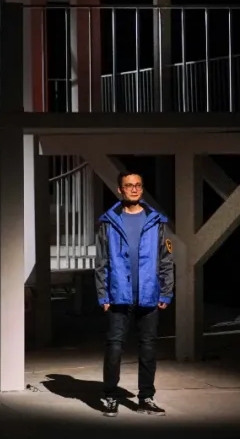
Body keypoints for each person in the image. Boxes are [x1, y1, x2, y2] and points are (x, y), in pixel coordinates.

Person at [96, 172, 174, 418]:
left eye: (138, 185)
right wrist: (103, 296)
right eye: (129, 185)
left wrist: (166, 292)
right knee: (114, 347)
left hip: (149, 295)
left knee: (148, 348)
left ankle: (146, 398)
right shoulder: (109, 222)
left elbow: (166, 259)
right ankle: (110, 396)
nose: (134, 189)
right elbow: (101, 262)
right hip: (118, 296)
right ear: (120, 189)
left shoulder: (156, 221)